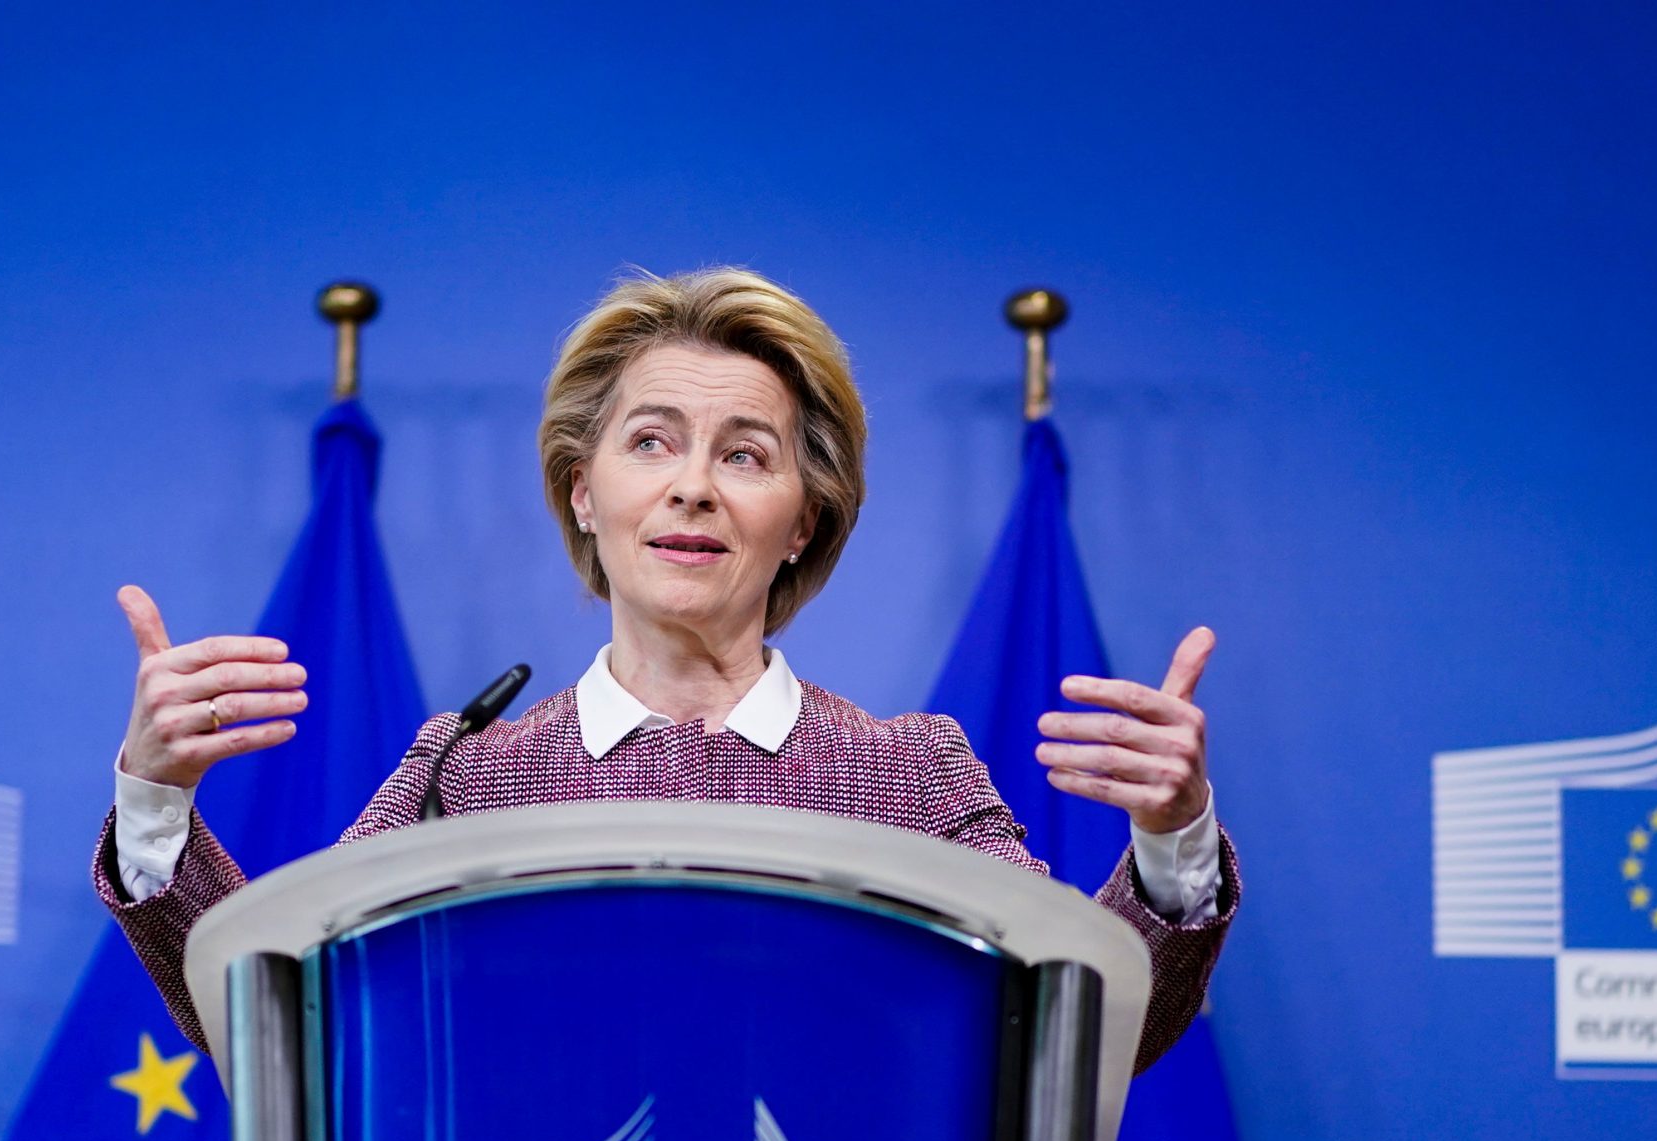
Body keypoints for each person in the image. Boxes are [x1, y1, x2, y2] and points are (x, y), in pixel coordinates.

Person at [97, 267, 1236, 1063]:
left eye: (746, 454)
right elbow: (281, 1013)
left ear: (803, 519)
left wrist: (1172, 844)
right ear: (583, 493)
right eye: (651, 441)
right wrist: (155, 802)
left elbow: (1080, 1025)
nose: (693, 485)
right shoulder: (468, 774)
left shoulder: (908, 777)